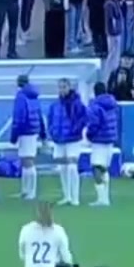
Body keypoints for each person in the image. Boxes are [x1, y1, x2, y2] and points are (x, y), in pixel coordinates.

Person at [46, 78, 88, 207]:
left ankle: (75, 197)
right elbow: (50, 119)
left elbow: (84, 118)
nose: (62, 90)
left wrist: (75, 129)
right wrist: (52, 132)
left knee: (72, 167)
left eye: (64, 87)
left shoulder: (76, 103)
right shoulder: (55, 105)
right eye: (60, 87)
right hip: (59, 139)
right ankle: (66, 195)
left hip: (73, 139)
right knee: (62, 168)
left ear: (69, 87)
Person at [83, 82, 120, 207]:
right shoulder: (112, 104)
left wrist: (89, 135)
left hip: (99, 140)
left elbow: (94, 124)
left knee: (96, 167)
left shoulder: (95, 106)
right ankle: (106, 197)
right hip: (110, 139)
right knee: (104, 168)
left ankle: (102, 198)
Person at [10, 73, 44, 200]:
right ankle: (26, 190)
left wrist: (14, 135)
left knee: (27, 161)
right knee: (27, 160)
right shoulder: (34, 96)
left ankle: (30, 191)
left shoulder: (21, 96)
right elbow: (39, 115)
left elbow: (19, 116)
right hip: (34, 130)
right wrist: (43, 133)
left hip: (25, 131)